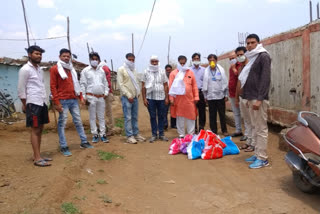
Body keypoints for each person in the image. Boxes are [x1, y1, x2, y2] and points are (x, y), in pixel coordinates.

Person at [50, 48, 93, 157]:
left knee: (78, 121)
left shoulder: (71, 69)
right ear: (60, 57)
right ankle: (63, 146)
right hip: (62, 100)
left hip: (73, 99)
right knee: (62, 123)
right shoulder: (55, 69)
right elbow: (53, 86)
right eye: (64, 56)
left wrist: (81, 97)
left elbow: (76, 84)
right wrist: (57, 102)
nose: (66, 58)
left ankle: (84, 142)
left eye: (68, 56)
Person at [239, 34, 271, 169]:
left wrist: (259, 99)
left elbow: (265, 79)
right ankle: (257, 153)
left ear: (258, 43)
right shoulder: (252, 58)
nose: (249, 45)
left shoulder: (263, 56)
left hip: (259, 99)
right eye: (248, 43)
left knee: (261, 128)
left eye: (252, 42)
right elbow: (246, 80)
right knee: (255, 127)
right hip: (250, 98)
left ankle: (262, 158)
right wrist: (247, 98)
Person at [18, 45, 51, 167]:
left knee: (40, 129)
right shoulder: (25, 69)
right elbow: (21, 89)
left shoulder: (39, 69)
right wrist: (25, 104)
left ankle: (37, 155)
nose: (39, 56)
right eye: (36, 54)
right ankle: (37, 158)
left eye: (40, 54)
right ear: (30, 55)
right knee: (35, 129)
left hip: (41, 102)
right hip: (33, 103)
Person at [80, 52, 109, 143]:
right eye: (93, 59)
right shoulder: (85, 71)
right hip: (91, 96)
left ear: (99, 60)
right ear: (90, 60)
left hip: (101, 97)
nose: (95, 61)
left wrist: (106, 92)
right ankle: (95, 134)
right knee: (92, 117)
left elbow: (105, 83)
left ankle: (103, 134)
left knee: (101, 116)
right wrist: (84, 96)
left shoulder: (101, 71)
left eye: (96, 59)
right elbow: (83, 84)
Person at [117, 53, 146, 144]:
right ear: (126, 59)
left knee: (134, 117)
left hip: (135, 97)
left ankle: (136, 134)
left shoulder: (134, 70)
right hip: (126, 97)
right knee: (128, 117)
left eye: (133, 60)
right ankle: (129, 136)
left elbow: (137, 82)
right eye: (130, 59)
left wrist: (137, 92)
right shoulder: (121, 70)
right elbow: (120, 84)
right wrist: (128, 95)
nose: (131, 61)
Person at [169, 55, 199, 138]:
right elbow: (170, 87)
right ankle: (181, 134)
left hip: (189, 99)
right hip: (178, 99)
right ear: (178, 62)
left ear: (186, 62)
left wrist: (196, 97)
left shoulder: (190, 72)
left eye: (184, 62)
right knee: (180, 117)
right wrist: (171, 98)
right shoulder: (173, 73)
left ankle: (190, 134)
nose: (182, 64)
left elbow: (194, 86)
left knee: (191, 116)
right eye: (180, 62)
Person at [141, 55, 169, 143]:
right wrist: (144, 99)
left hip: (161, 98)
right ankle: (154, 134)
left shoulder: (162, 72)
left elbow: (165, 85)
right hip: (150, 98)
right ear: (150, 62)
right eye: (152, 61)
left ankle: (161, 134)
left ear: (158, 62)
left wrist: (167, 97)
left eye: (155, 61)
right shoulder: (146, 72)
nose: (154, 63)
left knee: (161, 116)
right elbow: (143, 86)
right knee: (152, 116)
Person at [234, 47, 256, 152]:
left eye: (241, 54)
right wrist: (237, 97)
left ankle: (254, 144)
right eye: (237, 55)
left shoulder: (251, 66)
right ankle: (249, 142)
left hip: (250, 97)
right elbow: (239, 82)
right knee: (247, 121)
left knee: (253, 122)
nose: (239, 57)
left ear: (246, 54)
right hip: (242, 97)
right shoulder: (240, 68)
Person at [202, 54, 229, 136]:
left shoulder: (221, 70)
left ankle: (224, 130)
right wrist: (205, 96)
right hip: (210, 97)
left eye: (213, 60)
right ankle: (214, 131)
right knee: (212, 115)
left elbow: (225, 82)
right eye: (210, 60)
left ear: (216, 61)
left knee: (222, 114)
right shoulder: (206, 71)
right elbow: (204, 84)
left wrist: (226, 94)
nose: (212, 62)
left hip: (220, 96)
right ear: (208, 61)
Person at [229, 49, 244, 138]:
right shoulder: (231, 66)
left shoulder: (240, 66)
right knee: (236, 113)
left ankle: (247, 134)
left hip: (240, 93)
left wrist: (234, 68)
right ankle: (238, 130)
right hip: (231, 93)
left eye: (233, 58)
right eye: (230, 59)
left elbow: (239, 78)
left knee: (244, 114)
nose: (232, 60)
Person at [190, 53, 206, 132]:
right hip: (191, 93)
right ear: (192, 60)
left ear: (200, 60)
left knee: (202, 111)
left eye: (198, 59)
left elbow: (206, 81)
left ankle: (201, 127)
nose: (196, 60)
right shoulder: (189, 70)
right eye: (195, 59)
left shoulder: (204, 70)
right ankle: (194, 128)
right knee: (193, 111)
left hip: (201, 92)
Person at [102, 61, 115, 136]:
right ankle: (105, 128)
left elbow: (108, 82)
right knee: (101, 113)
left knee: (108, 112)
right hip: (98, 94)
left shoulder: (104, 68)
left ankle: (110, 129)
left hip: (106, 93)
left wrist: (106, 92)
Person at [164, 64, 176, 129]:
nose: (168, 71)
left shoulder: (175, 76)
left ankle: (173, 124)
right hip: (165, 96)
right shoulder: (163, 77)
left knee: (173, 111)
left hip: (173, 96)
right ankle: (165, 124)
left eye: (169, 70)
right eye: (167, 70)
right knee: (165, 111)